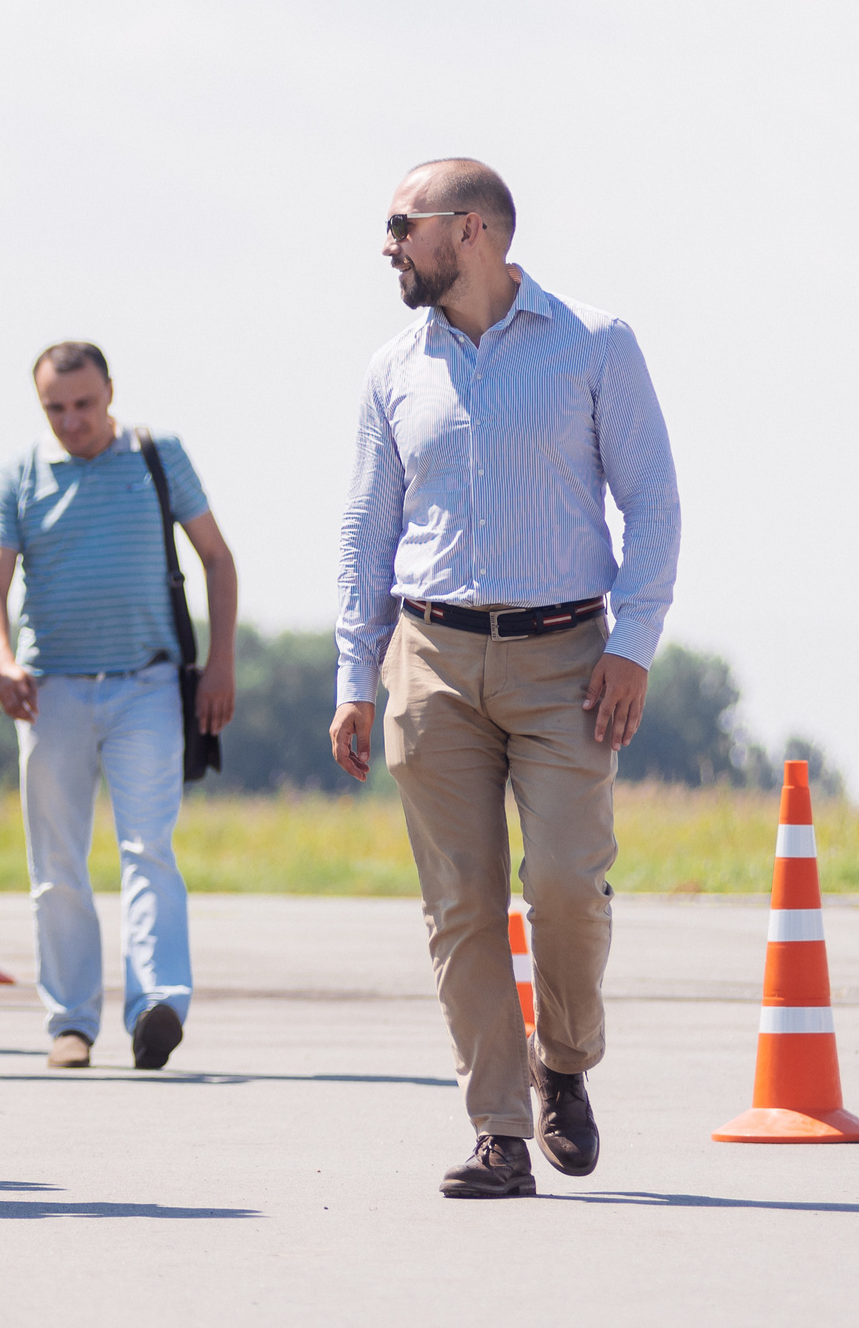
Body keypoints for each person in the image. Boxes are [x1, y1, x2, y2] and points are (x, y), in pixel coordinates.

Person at [329, 159, 679, 1200]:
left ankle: (562, 1060)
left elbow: (652, 501)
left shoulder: (594, 344)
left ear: (469, 228)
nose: (387, 243)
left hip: (567, 656)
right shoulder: (393, 367)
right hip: (428, 657)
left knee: (566, 880)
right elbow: (364, 528)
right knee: (461, 905)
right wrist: (355, 671)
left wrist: (634, 642)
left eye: (402, 223)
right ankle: (497, 1130)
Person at [0, 342, 238, 1072]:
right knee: (56, 861)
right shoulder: (20, 475)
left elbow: (217, 556)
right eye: (56, 407)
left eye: (84, 403)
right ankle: (70, 1022)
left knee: (147, 845)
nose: (72, 420)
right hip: (50, 688)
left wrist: (219, 662)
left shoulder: (158, 455)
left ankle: (158, 1004)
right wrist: (1, 663)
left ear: (110, 393)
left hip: (147, 684)